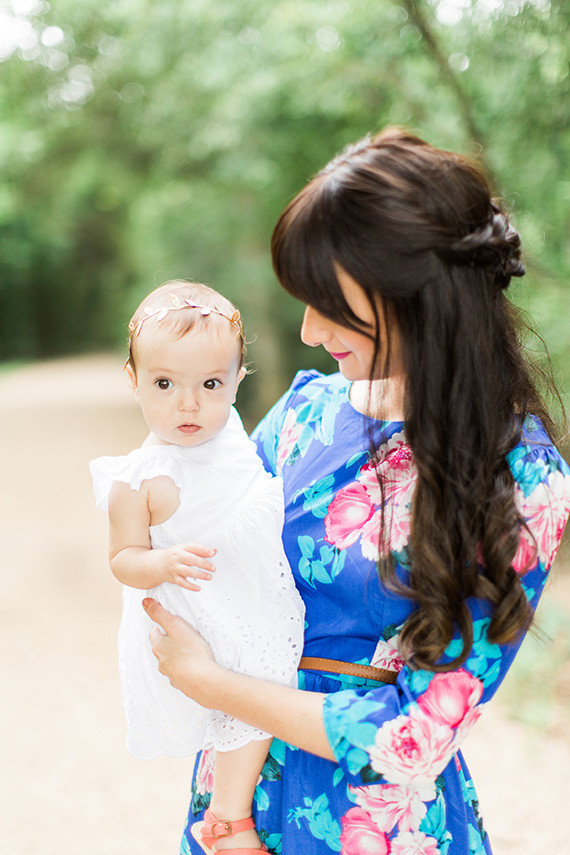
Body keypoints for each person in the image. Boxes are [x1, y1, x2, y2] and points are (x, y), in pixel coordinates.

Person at [143, 129, 570, 855]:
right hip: (235, 803)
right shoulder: (301, 417)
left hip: (378, 825)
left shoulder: (522, 478)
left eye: (328, 304)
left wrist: (214, 685)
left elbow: (415, 735)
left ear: (416, 296)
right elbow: (212, 577)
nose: (310, 332)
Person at [90, 280, 305, 854]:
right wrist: (160, 561)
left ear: (236, 380)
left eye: (210, 384)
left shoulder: (230, 434)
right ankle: (229, 817)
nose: (189, 404)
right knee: (245, 693)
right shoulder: (137, 480)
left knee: (271, 683)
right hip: (201, 605)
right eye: (165, 384)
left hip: (251, 591)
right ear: (134, 380)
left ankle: (234, 808)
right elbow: (122, 559)